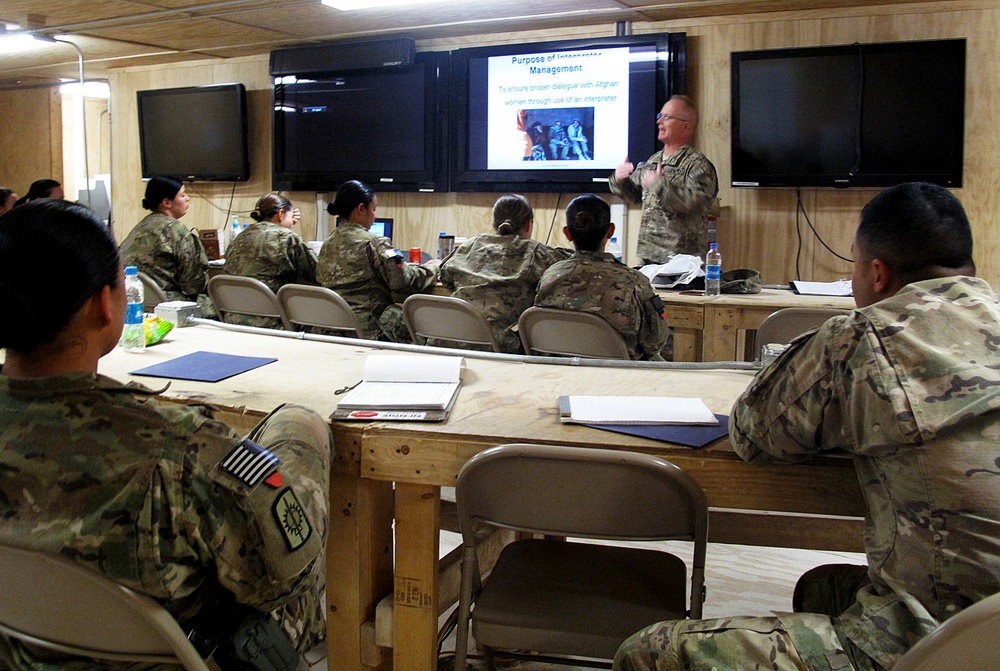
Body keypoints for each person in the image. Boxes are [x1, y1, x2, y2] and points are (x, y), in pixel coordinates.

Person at [614, 182, 1000, 671]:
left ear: (877, 273)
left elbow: (753, 434)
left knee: (647, 653)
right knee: (824, 588)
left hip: (941, 640)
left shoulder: (860, 338)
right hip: (989, 619)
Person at [0, 199, 334, 670]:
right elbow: (286, 571)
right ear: (103, 304)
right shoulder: (181, 447)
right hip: (182, 656)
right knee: (299, 425)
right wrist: (298, 435)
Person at [534, 194, 669, 360]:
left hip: (562, 373)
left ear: (567, 234)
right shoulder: (634, 282)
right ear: (610, 231)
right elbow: (655, 342)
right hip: (621, 376)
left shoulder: (549, 276)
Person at [439, 193, 571, 354]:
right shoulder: (538, 253)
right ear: (529, 225)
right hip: (501, 350)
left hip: (447, 342)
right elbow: (570, 266)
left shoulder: (469, 246)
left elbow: (445, 277)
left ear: (494, 225)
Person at [316, 180, 437, 342]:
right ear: (361, 209)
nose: (375, 215)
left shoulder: (327, 243)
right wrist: (434, 269)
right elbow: (402, 281)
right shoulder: (374, 242)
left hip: (334, 328)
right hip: (372, 329)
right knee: (429, 337)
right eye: (373, 209)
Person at [610, 95, 718, 264]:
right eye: (659, 117)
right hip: (648, 258)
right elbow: (635, 196)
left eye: (666, 117)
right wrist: (619, 180)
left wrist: (659, 185)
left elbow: (694, 204)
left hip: (681, 263)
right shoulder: (653, 161)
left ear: (686, 125)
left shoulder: (698, 165)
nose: (659, 122)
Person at [119, 175, 217, 319]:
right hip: (168, 304)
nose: (187, 198)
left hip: (137, 302)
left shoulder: (141, 226)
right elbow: (193, 285)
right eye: (182, 195)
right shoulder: (176, 230)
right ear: (166, 202)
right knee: (219, 305)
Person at [223, 193, 317, 329]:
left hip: (234, 319)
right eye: (291, 216)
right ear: (280, 214)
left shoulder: (241, 236)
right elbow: (315, 273)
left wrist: (286, 226)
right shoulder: (287, 237)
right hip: (274, 321)